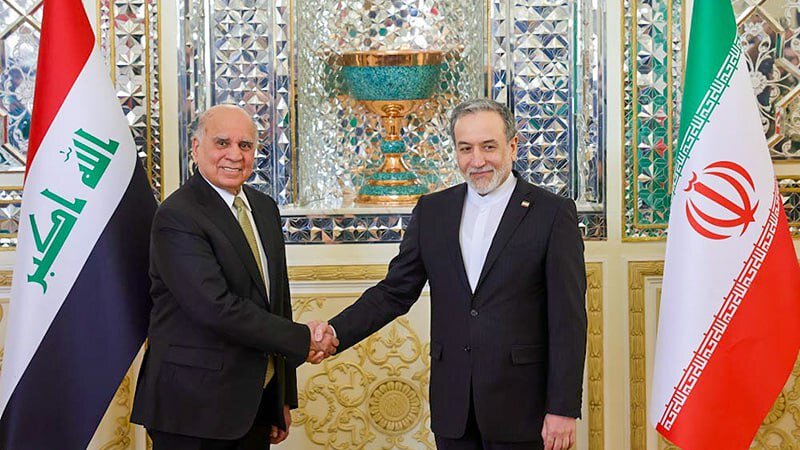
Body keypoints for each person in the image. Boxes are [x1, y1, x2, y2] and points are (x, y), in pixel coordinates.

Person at [313, 99, 587, 450]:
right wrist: (335, 331)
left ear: (513, 146)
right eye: (465, 148)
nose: (477, 160)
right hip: (453, 407)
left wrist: (562, 407)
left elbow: (568, 318)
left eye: (488, 147)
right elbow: (394, 292)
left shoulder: (552, 213)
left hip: (524, 408)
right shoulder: (433, 211)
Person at [131, 104, 337, 450]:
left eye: (245, 145)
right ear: (196, 147)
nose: (235, 155)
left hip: (254, 405)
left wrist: (282, 398)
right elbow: (216, 308)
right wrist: (304, 339)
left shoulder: (264, 208)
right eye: (222, 142)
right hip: (193, 409)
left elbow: (277, 303)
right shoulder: (177, 215)